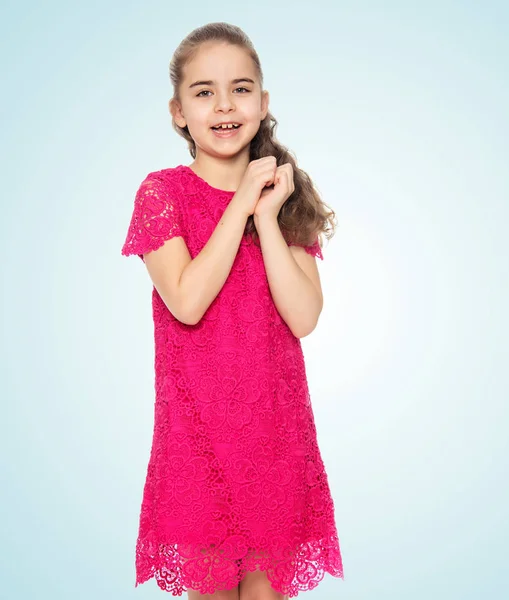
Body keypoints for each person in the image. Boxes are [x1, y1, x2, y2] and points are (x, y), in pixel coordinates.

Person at [120, 22, 344, 600]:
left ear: (263, 104)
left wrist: (266, 216)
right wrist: (241, 199)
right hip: (197, 440)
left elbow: (304, 316)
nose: (224, 105)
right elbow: (187, 301)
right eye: (204, 92)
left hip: (275, 439)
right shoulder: (161, 193)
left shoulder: (284, 199)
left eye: (241, 89)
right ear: (178, 112)